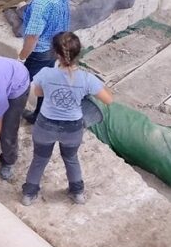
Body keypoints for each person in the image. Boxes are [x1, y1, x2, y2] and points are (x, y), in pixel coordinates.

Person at [21, 32, 112, 206]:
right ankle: (77, 193)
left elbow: (38, 93)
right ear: (78, 53)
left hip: (45, 125)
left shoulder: (46, 73)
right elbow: (109, 100)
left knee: (39, 159)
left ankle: (28, 195)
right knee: (71, 158)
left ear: (55, 53)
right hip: (72, 128)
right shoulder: (87, 79)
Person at [17, 0, 70, 124]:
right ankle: (39, 114)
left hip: (41, 50)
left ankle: (14, 115)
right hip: (57, 44)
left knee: (22, 83)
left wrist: (22, 57)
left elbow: (33, 37)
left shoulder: (40, 3)